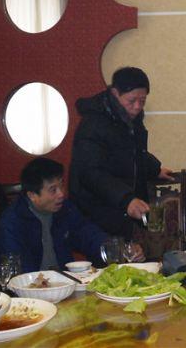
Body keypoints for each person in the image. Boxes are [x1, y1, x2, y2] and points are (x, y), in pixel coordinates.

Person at [69, 67, 173, 239]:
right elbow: (90, 172)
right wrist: (125, 199)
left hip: (118, 206)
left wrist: (155, 169)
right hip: (97, 208)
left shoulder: (127, 117)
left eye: (142, 101)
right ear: (115, 93)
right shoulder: (94, 123)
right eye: (132, 100)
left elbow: (134, 152)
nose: (137, 107)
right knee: (110, 253)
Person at [0, 158, 120, 273]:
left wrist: (114, 249)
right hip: (31, 288)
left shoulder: (65, 210)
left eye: (61, 186)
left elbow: (87, 234)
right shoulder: (12, 222)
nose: (61, 194)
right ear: (32, 195)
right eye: (53, 190)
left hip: (66, 283)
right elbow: (16, 269)